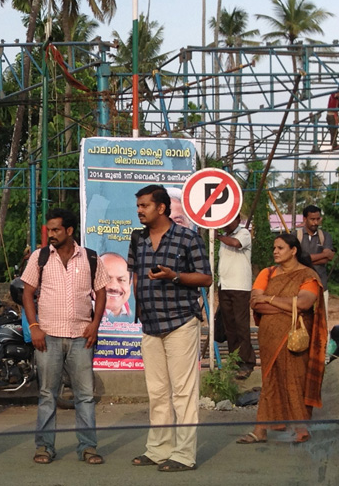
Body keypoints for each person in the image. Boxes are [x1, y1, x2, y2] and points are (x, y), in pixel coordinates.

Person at [128, 185, 212, 473]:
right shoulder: (137, 239)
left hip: (180, 322)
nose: (139, 210)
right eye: (138, 206)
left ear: (161, 208)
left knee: (183, 393)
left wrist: (175, 276)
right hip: (150, 326)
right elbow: (136, 276)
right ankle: (158, 449)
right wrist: (139, 308)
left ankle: (184, 455)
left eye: (144, 205)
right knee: (158, 391)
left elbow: (206, 279)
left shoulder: (187, 237)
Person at [21, 209, 108, 466]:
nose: (52, 235)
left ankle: (88, 447)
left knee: (84, 395)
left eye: (57, 230)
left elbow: (101, 293)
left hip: (82, 337)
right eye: (50, 230)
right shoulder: (41, 257)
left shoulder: (90, 258)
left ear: (70, 231)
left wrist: (95, 325)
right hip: (48, 337)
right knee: (48, 394)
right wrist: (34, 326)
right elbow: (28, 294)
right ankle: (45, 447)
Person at [237, 232, 327, 445]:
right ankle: (260, 431)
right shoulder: (267, 273)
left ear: (293, 250)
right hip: (269, 337)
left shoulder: (307, 275)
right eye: (274, 248)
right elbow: (255, 303)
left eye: (280, 248)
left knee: (295, 379)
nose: (275, 252)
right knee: (269, 381)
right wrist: (287, 305)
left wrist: (270, 298)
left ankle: (301, 429)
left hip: (295, 337)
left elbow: (304, 303)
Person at [215, 214, 256, 379]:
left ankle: (247, 361)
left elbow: (236, 244)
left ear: (238, 220)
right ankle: (234, 360)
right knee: (229, 326)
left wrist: (217, 236)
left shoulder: (243, 233)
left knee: (241, 326)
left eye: (230, 220)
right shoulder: (225, 238)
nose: (227, 224)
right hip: (224, 285)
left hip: (240, 287)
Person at [296, 205, 334, 289]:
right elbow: (295, 259)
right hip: (300, 285)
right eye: (312, 219)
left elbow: (329, 257)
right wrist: (323, 254)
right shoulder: (296, 236)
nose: (315, 222)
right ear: (305, 219)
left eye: (318, 219)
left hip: (321, 284)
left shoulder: (325, 236)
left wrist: (303, 261)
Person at [101, 252, 133, 320]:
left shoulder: (141, 319)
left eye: (121, 280)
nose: (114, 286)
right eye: (106, 279)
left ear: (130, 284)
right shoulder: (80, 316)